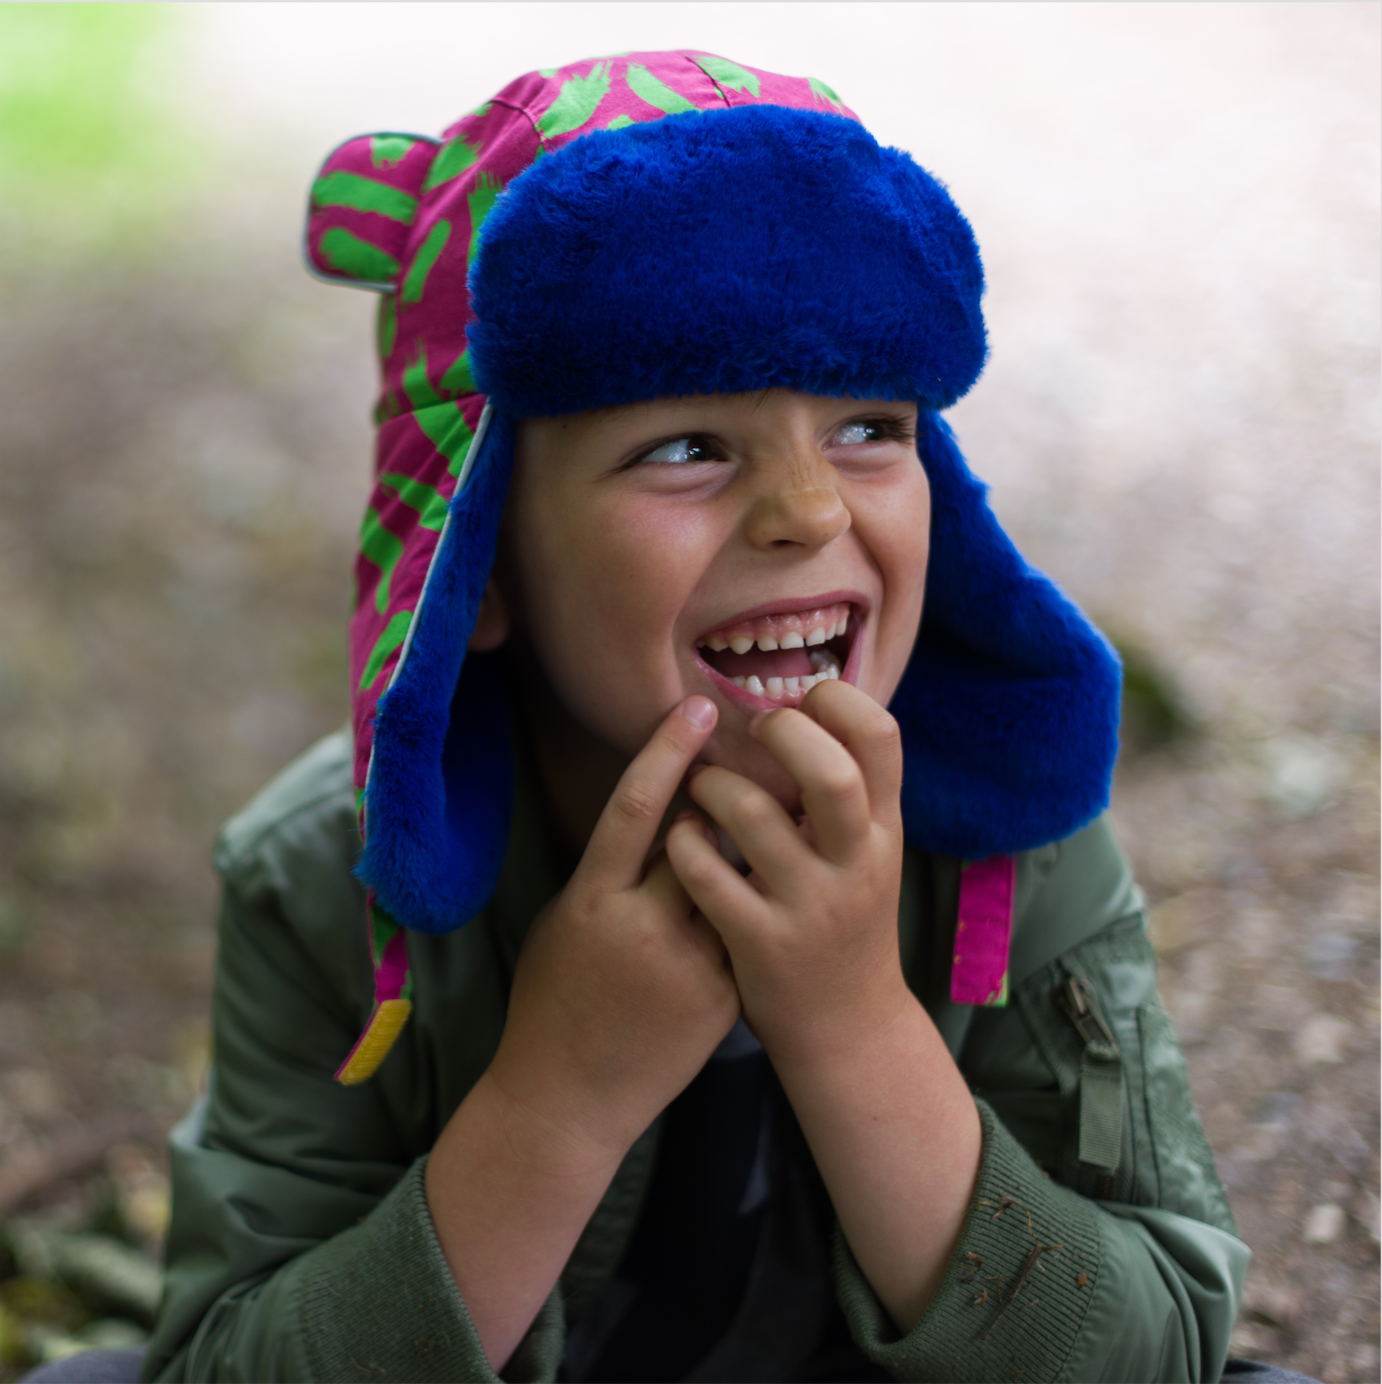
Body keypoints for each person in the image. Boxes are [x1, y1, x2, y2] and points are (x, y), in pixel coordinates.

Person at [75, 48, 1273, 1384]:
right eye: (687, 447)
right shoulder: (317, 876)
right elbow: (221, 1364)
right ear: (471, 571)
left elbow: (1160, 1350)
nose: (809, 513)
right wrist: (556, 1097)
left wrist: (853, 1025)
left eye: (869, 425)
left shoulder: (1008, 830)